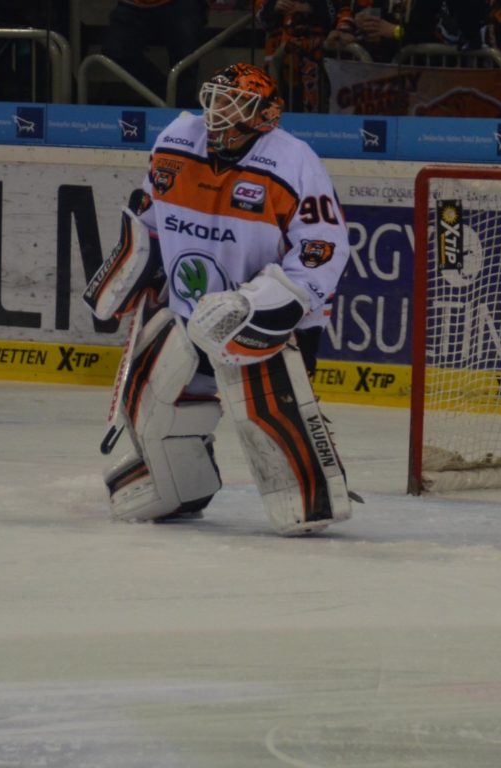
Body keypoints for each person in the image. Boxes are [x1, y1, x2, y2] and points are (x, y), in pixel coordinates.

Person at [83, 63, 355, 536]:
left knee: (278, 444)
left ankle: (309, 485)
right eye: (217, 99)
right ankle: (179, 486)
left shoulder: (294, 160)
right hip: (187, 311)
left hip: (263, 320)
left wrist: (270, 303)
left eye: (235, 103)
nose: (219, 113)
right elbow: (148, 216)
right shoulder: (176, 139)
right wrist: (130, 267)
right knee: (159, 414)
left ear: (266, 114)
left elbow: (323, 247)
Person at [101, 0, 209, 106]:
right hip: (133, 5)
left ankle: (182, 107)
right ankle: (169, 97)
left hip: (181, 4)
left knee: (185, 52)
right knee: (115, 50)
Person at [255, 0, 337, 112]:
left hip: (316, 60)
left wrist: (310, 7)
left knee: (317, 106)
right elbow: (262, 20)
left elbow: (333, 18)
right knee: (277, 105)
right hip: (279, 58)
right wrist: (274, 7)